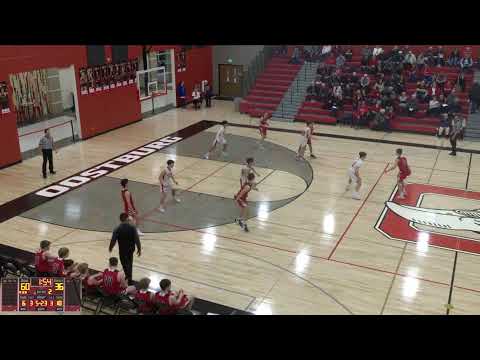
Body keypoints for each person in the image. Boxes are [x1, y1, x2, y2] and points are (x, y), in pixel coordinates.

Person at [109, 212, 142, 285]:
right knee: (130, 263)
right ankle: (129, 277)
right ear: (127, 219)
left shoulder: (117, 228)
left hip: (123, 250)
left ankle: (128, 277)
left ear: (120, 219)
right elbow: (137, 239)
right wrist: (139, 248)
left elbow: (113, 240)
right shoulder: (132, 227)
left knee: (124, 264)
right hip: (131, 249)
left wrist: (110, 247)